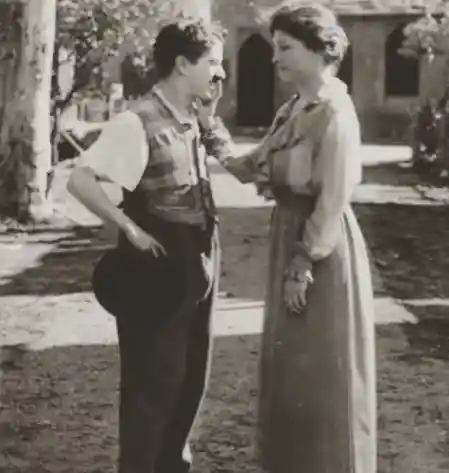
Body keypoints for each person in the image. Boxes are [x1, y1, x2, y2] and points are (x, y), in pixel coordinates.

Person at [199, 3, 377, 472]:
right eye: (274, 47)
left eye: (285, 48)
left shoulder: (336, 113)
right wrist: (208, 125)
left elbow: (333, 199)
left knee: (321, 368)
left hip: (321, 248)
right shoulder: (293, 109)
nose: (275, 58)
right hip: (290, 235)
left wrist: (302, 263)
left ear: (320, 51)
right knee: (292, 368)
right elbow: (250, 167)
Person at [67, 17, 227, 473]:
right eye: (212, 63)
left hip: (200, 256)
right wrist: (130, 229)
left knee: (191, 377)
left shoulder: (192, 116)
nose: (218, 74)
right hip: (159, 266)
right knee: (153, 385)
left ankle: (170, 466)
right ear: (181, 64)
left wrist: (209, 119)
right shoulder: (135, 121)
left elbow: (225, 158)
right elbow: (81, 179)